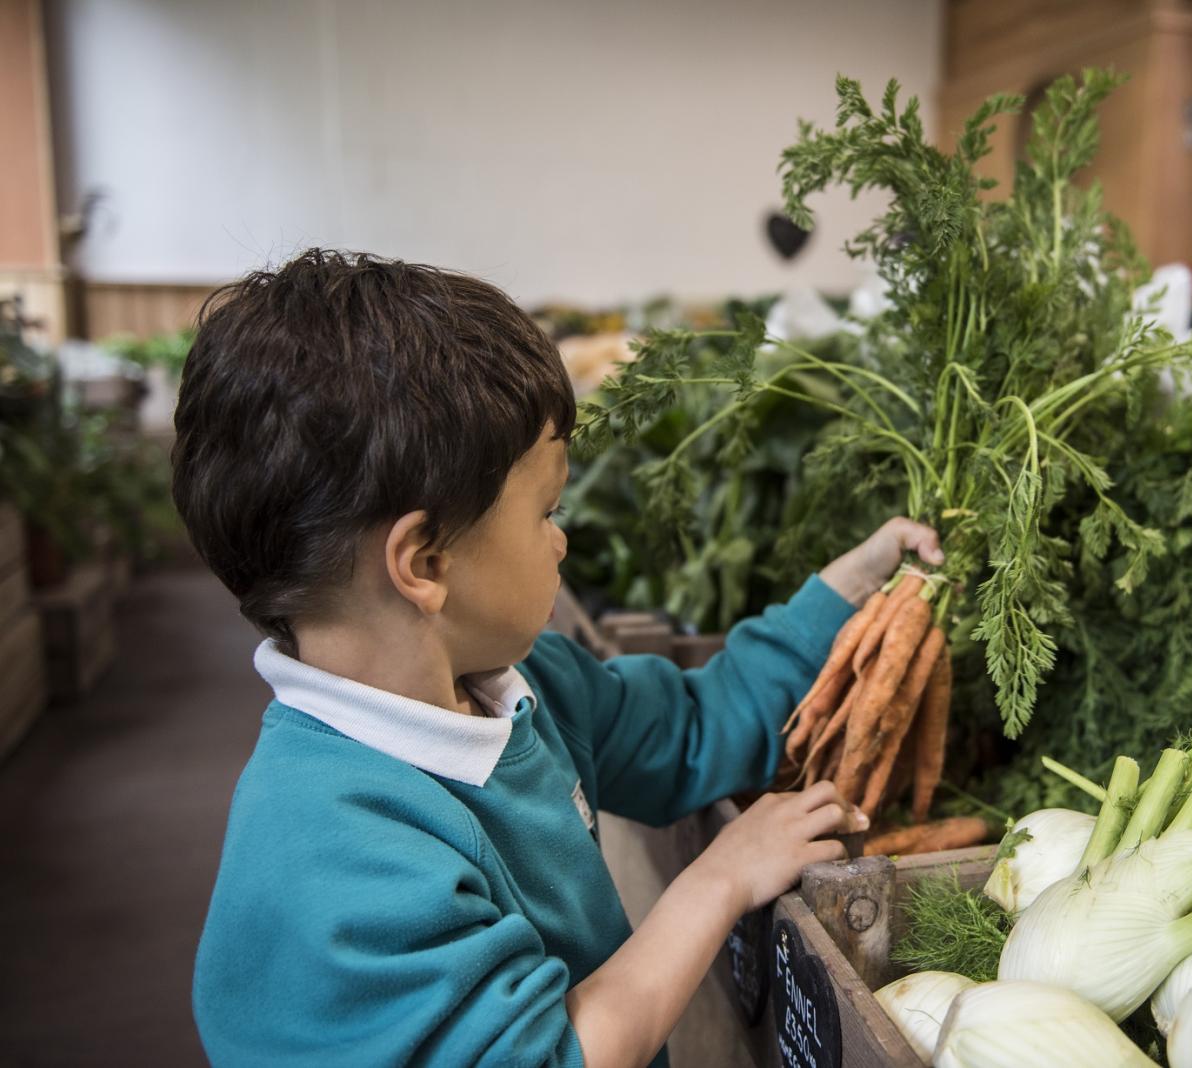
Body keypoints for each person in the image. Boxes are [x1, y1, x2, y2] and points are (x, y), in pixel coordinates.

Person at [174, 249, 944, 1068]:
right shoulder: (333, 856)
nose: (562, 537)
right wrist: (719, 880)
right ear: (425, 564)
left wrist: (850, 589)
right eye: (546, 508)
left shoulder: (525, 686)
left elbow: (691, 728)